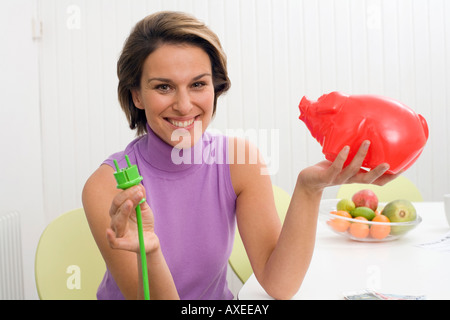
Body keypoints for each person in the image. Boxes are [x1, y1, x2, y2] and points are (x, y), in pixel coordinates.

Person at [82, 11, 397, 300]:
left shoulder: (238, 161)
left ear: (215, 88)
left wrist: (309, 188)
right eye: (164, 87)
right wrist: (151, 251)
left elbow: (280, 284)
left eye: (198, 84)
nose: (184, 104)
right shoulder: (107, 186)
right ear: (136, 94)